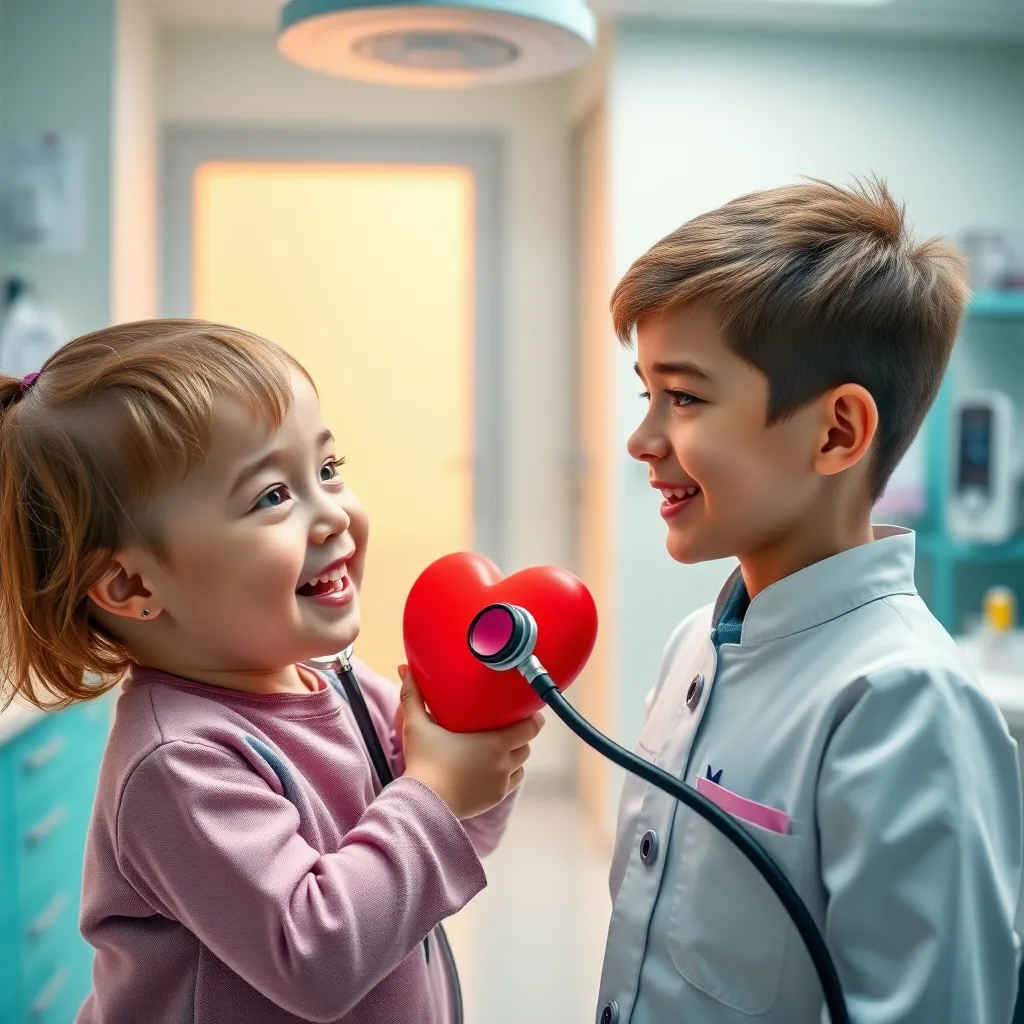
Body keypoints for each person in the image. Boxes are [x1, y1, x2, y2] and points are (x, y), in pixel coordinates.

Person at [0, 319, 542, 1024]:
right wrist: (438, 788)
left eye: (326, 470)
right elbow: (316, 956)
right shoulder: (179, 764)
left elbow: (447, 840)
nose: (331, 518)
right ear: (132, 587)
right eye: (270, 497)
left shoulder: (340, 681)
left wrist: (476, 743)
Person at [596, 178, 1024, 1024]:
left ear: (836, 433)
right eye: (645, 393)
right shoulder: (696, 641)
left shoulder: (905, 702)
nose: (642, 440)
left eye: (682, 397)